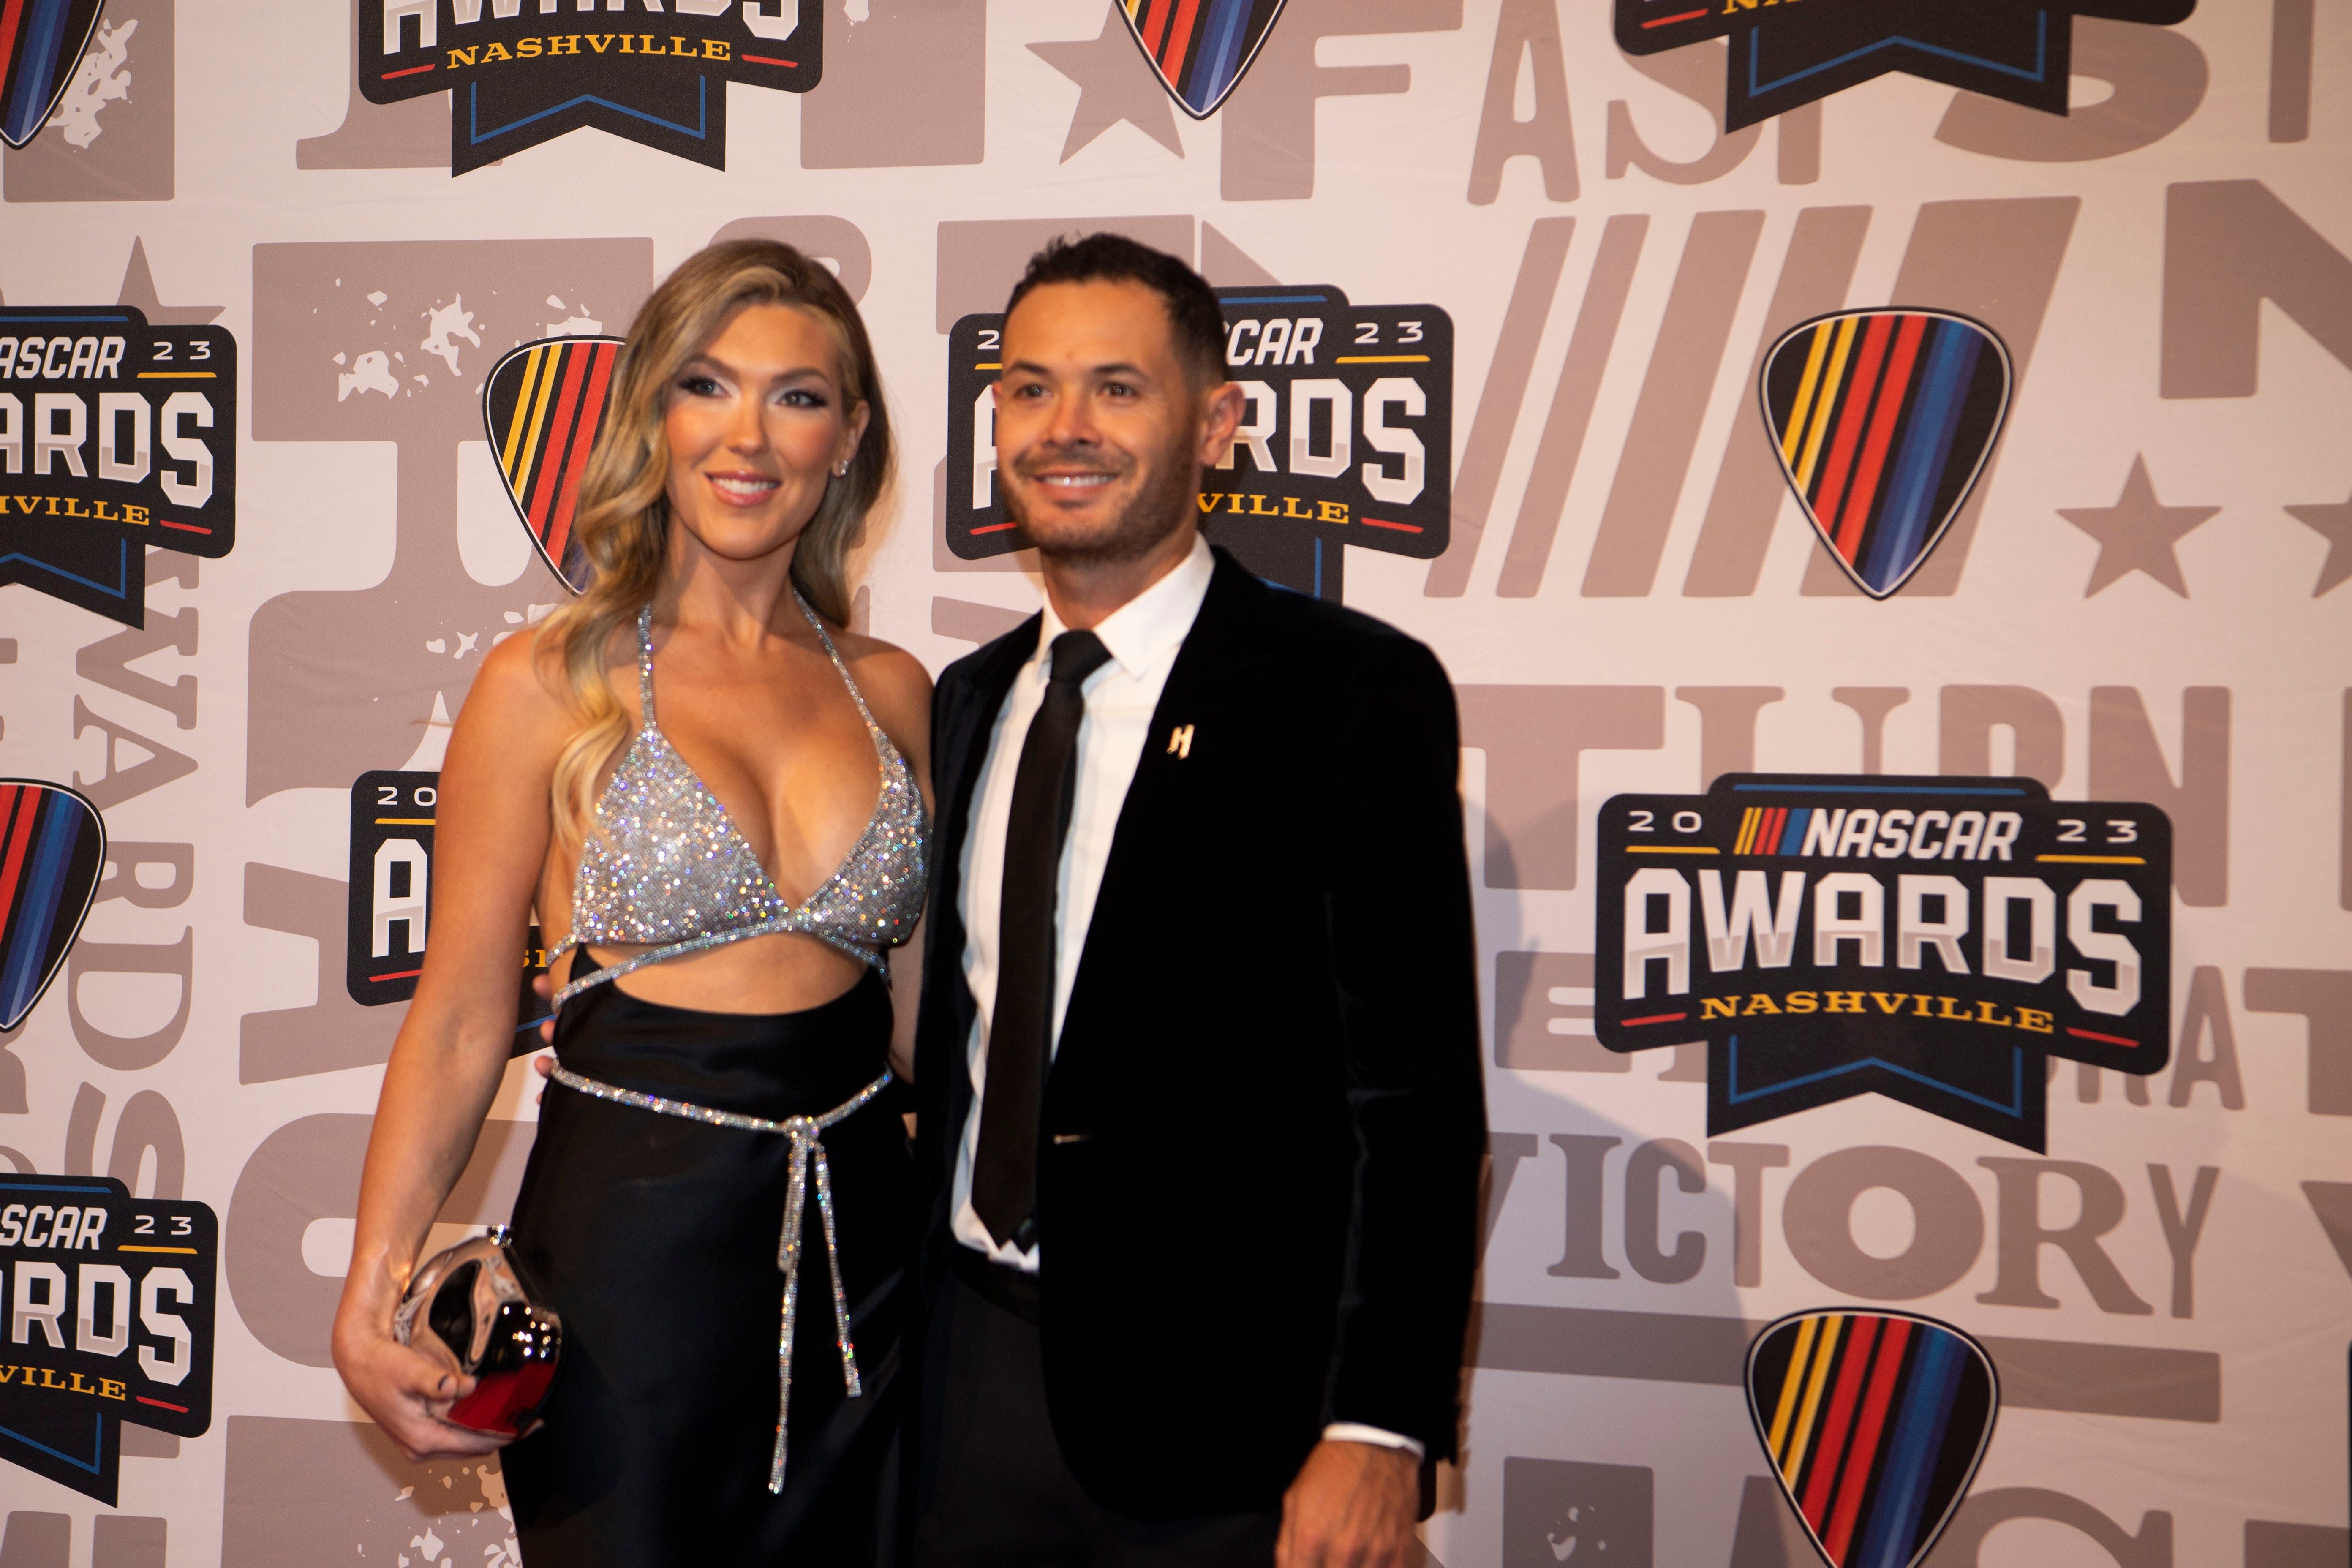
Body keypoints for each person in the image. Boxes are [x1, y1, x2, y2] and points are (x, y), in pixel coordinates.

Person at [331, 239, 932, 1566]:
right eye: (706, 385)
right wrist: (374, 1290)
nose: (748, 435)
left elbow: (937, 1035)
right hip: (628, 1281)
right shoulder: (550, 680)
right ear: (653, 417)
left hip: (872, 1276)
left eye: (799, 396)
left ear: (850, 439)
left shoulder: (893, 690)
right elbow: (460, 1013)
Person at [909, 234, 1485, 1568]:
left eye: (1119, 388)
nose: (1067, 428)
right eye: (1030, 388)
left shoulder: (1350, 691)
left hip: (1239, 1427)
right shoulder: (968, 701)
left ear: (1216, 423)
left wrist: (1380, 1429)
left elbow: (1415, 1103)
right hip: (959, 1386)